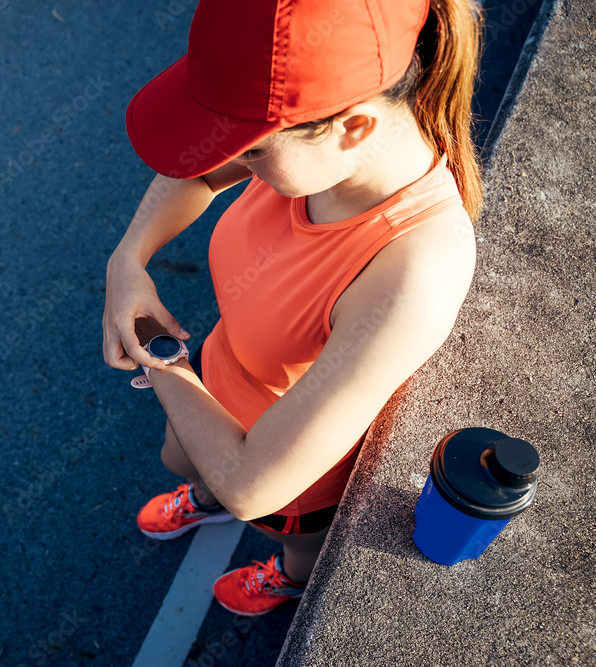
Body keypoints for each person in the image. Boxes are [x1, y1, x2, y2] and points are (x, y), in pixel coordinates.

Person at [102, 0, 483, 617]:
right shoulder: (325, 147)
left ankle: (288, 577)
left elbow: (255, 483)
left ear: (353, 127)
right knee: (189, 459)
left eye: (250, 150)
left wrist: (159, 356)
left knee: (290, 535)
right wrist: (128, 259)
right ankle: (205, 495)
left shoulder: (415, 268)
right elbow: (198, 169)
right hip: (217, 378)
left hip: (285, 466)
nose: (231, 160)